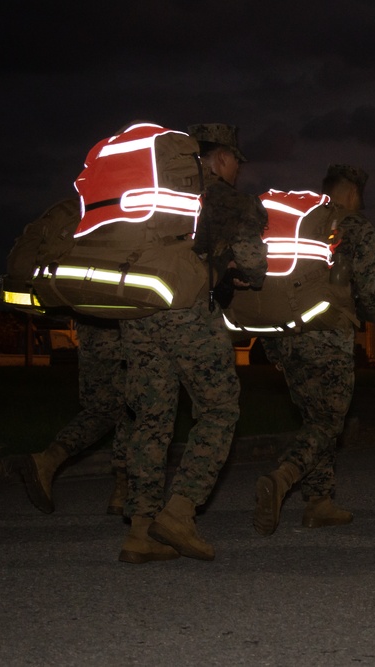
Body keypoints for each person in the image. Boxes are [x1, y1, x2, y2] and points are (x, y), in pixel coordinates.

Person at [117, 123, 267, 564]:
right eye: (236, 161)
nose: (238, 169)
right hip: (186, 311)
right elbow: (254, 264)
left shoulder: (149, 193)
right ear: (221, 158)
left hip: (138, 308)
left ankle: (140, 531)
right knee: (219, 408)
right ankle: (179, 513)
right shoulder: (228, 200)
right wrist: (241, 270)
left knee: (151, 419)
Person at [253, 164, 375, 536]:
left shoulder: (302, 224)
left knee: (315, 416)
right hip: (328, 335)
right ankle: (283, 477)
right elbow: (374, 295)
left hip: (284, 334)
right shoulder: (358, 228)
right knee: (328, 422)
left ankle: (319, 501)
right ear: (352, 193)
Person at [19, 317, 130, 516]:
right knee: (132, 404)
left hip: (89, 326)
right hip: (123, 327)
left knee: (104, 408)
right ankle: (124, 488)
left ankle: (50, 460)